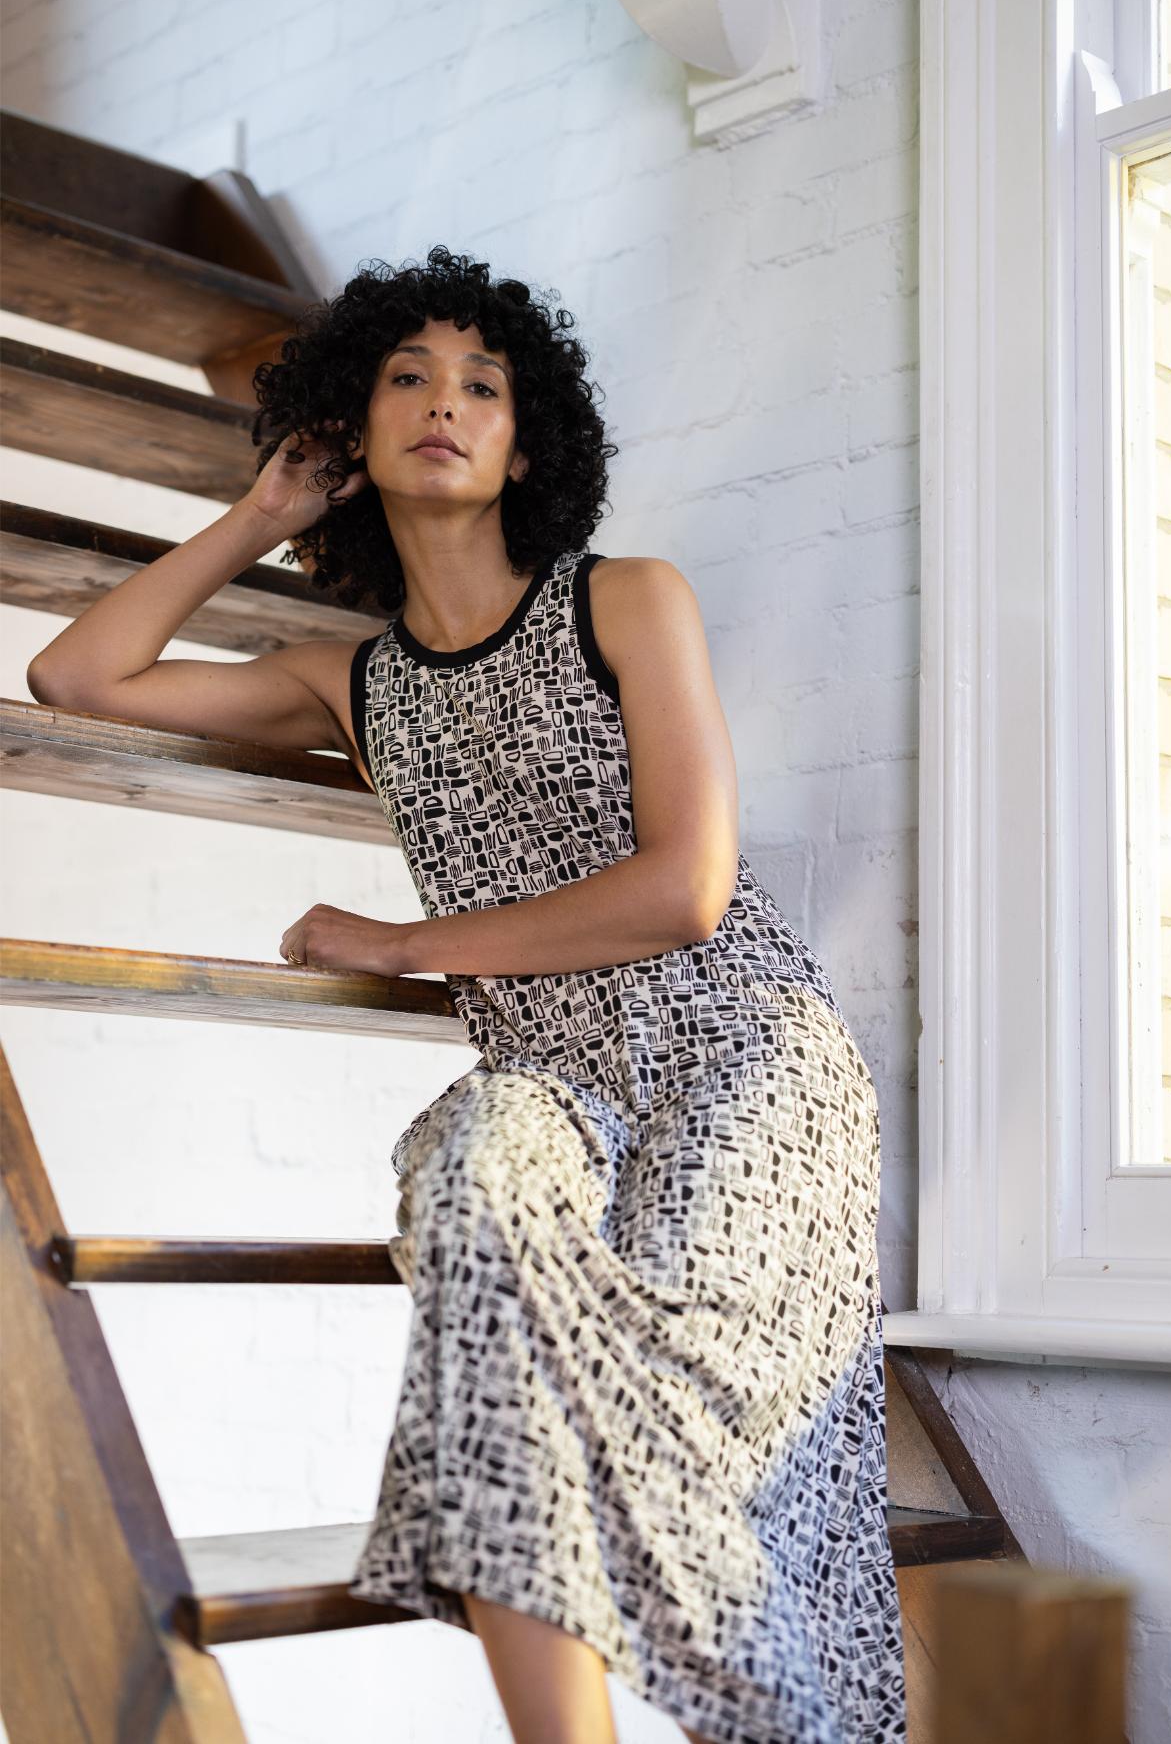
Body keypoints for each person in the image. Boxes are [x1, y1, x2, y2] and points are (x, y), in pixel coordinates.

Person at [27, 246, 906, 1744]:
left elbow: (685, 889)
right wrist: (261, 515)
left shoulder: (627, 601)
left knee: (664, 1391)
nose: (445, 402)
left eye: (483, 385)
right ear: (353, 431)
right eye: (407, 377)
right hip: (549, 1079)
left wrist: (403, 942)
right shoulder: (351, 683)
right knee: (474, 1202)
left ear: (526, 443)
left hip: (740, 1056)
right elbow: (78, 677)